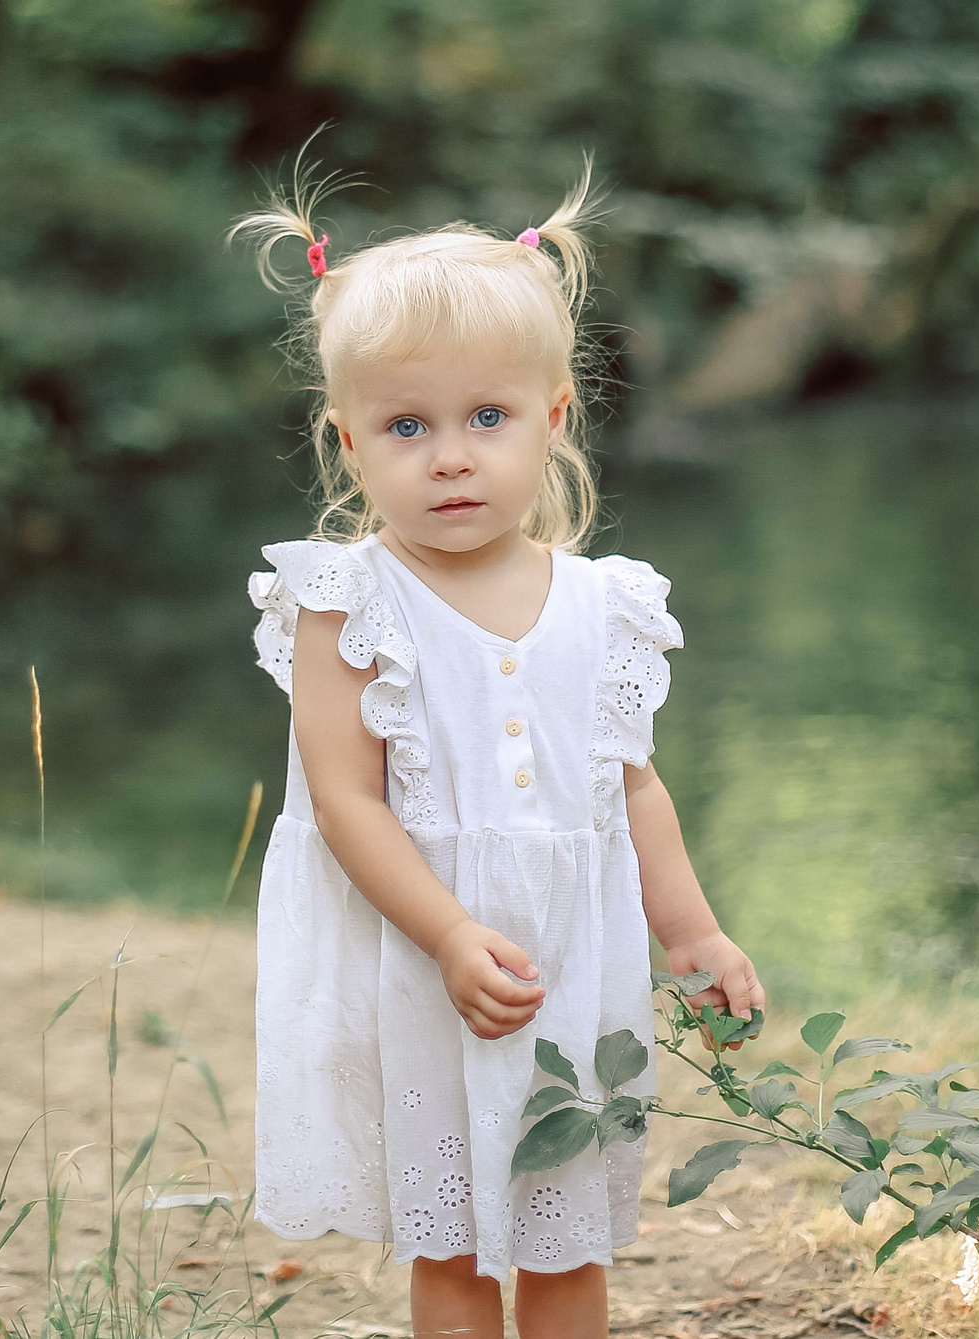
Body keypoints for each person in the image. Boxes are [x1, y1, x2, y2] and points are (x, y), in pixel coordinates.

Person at [233, 165, 763, 1339]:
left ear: (553, 417)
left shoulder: (603, 605)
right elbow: (343, 802)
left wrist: (693, 933)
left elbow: (630, 788)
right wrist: (448, 933)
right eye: (406, 426)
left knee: (564, 1233)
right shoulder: (344, 602)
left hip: (573, 962)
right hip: (432, 958)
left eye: (487, 418)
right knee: (457, 1238)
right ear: (347, 439)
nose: (451, 456)